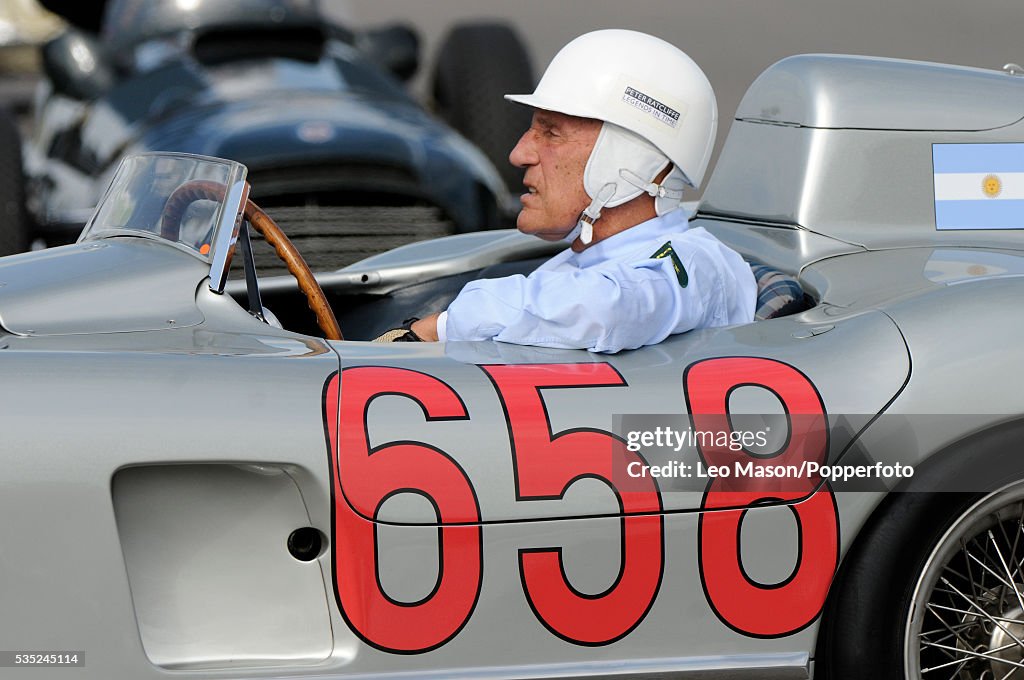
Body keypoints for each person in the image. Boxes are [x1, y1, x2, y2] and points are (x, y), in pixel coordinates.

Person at [378, 29, 755, 352]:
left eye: (551, 132)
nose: (518, 153)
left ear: (631, 160)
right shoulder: (581, 264)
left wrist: (440, 328)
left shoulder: (698, 264)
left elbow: (612, 310)